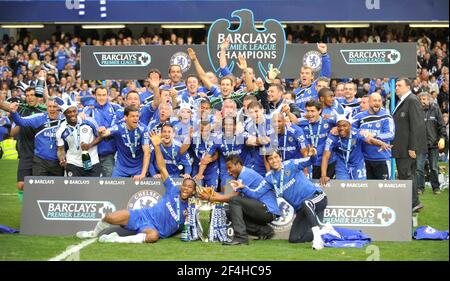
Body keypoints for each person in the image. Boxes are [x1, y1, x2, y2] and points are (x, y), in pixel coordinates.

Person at [76, 131, 197, 243]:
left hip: (153, 229)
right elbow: (162, 168)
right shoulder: (173, 189)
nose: (186, 188)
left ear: (193, 191)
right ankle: (93, 233)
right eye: (185, 186)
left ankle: (115, 239)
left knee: (153, 236)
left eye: (190, 187)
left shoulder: (192, 208)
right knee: (110, 217)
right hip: (142, 215)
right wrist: (156, 146)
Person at [264, 150, 339, 250]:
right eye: (270, 158)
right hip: (301, 209)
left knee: (306, 202)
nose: (274, 160)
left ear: (280, 158)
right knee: (294, 239)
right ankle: (324, 231)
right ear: (268, 162)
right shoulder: (269, 177)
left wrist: (313, 155)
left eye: (276, 157)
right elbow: (259, 191)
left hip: (317, 197)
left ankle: (317, 239)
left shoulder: (291, 164)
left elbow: (309, 161)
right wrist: (244, 187)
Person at [199, 155, 280, 245]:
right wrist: (212, 193)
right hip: (261, 210)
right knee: (229, 212)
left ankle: (241, 238)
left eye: (230, 168)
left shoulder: (246, 174)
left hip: (268, 210)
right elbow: (229, 197)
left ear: (237, 165)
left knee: (234, 201)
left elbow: (232, 198)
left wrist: (210, 198)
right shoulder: (240, 175)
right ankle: (264, 231)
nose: (228, 172)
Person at [320, 115, 392, 183]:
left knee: (360, 189)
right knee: (343, 189)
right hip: (342, 166)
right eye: (339, 126)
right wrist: (323, 175)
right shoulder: (332, 137)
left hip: (358, 164)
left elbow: (370, 140)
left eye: (344, 126)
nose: (342, 128)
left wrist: (381, 144)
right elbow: (326, 156)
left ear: (350, 126)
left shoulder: (356, 132)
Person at [392, 78, 428, 213]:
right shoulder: (403, 101)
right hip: (402, 147)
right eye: (396, 85)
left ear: (408, 87)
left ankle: (414, 203)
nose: (396, 88)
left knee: (406, 175)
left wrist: (413, 147)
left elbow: (417, 125)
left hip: (407, 148)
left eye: (399, 85)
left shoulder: (412, 100)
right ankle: (413, 202)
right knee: (407, 175)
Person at [8, 97, 64, 176]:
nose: (52, 109)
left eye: (54, 107)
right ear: (46, 107)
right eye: (49, 106)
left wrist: (82, 115)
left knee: (57, 188)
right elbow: (21, 122)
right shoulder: (38, 118)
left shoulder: (65, 120)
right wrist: (13, 112)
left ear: (60, 109)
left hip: (59, 162)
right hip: (40, 162)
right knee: (39, 188)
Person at [97, 106, 150, 180]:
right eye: (132, 116)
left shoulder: (143, 129)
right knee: (113, 188)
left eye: (137, 116)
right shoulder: (119, 127)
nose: (136, 119)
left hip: (138, 167)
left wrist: (143, 174)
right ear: (125, 117)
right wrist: (100, 131)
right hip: (121, 168)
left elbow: (147, 152)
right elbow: (104, 133)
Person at [55, 96, 102, 177]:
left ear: (77, 111)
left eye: (74, 111)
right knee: (73, 189)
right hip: (73, 163)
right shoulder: (61, 130)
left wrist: (89, 145)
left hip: (92, 161)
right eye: (69, 112)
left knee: (95, 189)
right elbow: (61, 149)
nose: (72, 114)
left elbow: (100, 136)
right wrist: (61, 158)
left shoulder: (89, 121)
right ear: (64, 114)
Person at [83, 86, 124, 177]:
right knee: (92, 183)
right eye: (99, 95)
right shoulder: (88, 109)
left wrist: (108, 130)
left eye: (104, 95)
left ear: (108, 95)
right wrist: (80, 115)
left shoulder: (116, 108)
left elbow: (122, 125)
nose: (101, 98)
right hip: (91, 153)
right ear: (95, 96)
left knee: (109, 183)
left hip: (109, 153)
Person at [353, 92, 395, 180]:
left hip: (382, 158)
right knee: (367, 191)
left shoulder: (386, 117)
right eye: (374, 100)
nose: (377, 103)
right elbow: (350, 129)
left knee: (383, 190)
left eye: (379, 101)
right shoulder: (359, 117)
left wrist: (375, 134)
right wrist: (360, 132)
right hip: (364, 159)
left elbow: (391, 134)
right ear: (369, 102)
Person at [297, 99, 337, 179]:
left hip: (329, 162)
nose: (309, 114)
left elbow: (345, 124)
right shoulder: (301, 123)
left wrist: (336, 127)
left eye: (312, 111)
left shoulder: (329, 122)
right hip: (311, 163)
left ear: (319, 111)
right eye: (307, 111)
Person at [416, 92, 447, 194]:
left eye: (424, 99)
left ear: (429, 100)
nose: (422, 101)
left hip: (434, 144)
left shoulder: (436, 109)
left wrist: (442, 138)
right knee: (419, 168)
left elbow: (442, 125)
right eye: (420, 99)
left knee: (433, 167)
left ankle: (436, 188)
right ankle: (420, 188)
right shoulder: (416, 111)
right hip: (420, 144)